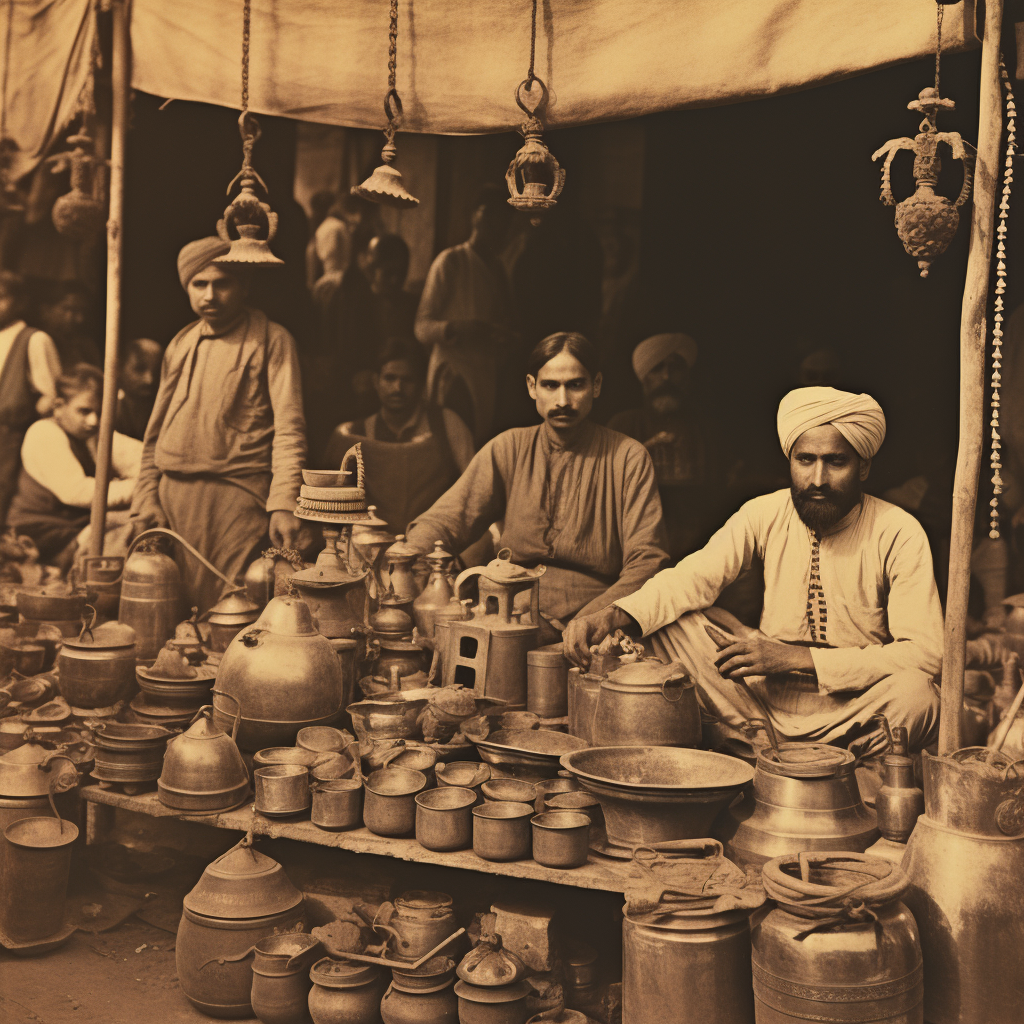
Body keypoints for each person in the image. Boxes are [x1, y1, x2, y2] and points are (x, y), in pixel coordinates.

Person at [564, 386, 943, 758]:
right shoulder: (765, 512)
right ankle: (767, 744)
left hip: (854, 707)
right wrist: (613, 613)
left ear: (864, 466)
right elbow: (692, 578)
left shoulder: (898, 530)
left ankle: (805, 755)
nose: (817, 479)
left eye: (836, 462)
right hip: (760, 699)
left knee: (919, 695)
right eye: (805, 460)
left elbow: (926, 654)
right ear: (790, 461)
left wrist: (798, 658)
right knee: (668, 623)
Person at [405, 332, 670, 632]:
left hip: (593, 614)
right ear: (532, 387)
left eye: (576, 385)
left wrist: (595, 619)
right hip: (507, 608)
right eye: (550, 385)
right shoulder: (509, 447)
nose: (562, 401)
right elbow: (448, 519)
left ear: (596, 386)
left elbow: (647, 562)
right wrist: (406, 556)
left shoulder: (628, 457)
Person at [130, 238, 307, 611]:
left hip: (237, 498)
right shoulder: (180, 344)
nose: (209, 294)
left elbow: (290, 429)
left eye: (222, 282)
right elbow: (154, 435)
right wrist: (146, 497)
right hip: (172, 500)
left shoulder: (272, 340)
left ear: (244, 286)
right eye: (199, 284)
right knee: (166, 612)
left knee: (229, 611)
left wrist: (282, 502)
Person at [325, 336, 474, 535]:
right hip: (370, 542)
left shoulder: (446, 424)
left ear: (422, 385)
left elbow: (474, 486)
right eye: (390, 378)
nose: (398, 388)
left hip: (433, 539)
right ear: (375, 382)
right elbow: (330, 500)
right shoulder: (353, 433)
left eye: (407, 380)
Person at [8, 364, 141, 569]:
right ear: (59, 406)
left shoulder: (91, 435)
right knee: (127, 537)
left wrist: (151, 476)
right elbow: (76, 491)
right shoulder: (44, 433)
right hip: (42, 534)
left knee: (141, 524)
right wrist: (141, 488)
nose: (94, 420)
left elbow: (141, 458)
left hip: (75, 527)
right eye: (84, 411)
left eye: (100, 412)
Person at [415, 184, 515, 445]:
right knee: (449, 444)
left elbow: (503, 321)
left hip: (485, 372)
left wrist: (502, 335)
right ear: (474, 216)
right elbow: (421, 327)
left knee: (476, 444)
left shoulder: (499, 271)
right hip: (452, 370)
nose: (495, 224)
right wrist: (457, 328)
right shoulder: (451, 261)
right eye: (487, 214)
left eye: (502, 218)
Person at [608, 333, 711, 559]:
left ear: (685, 378)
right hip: (634, 536)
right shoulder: (623, 424)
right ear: (644, 378)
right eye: (657, 369)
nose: (666, 377)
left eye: (675, 369)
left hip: (693, 540)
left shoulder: (702, 427)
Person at [0, 271, 61, 529]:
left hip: (11, 444)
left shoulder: (34, 340)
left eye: (1, 297)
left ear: (20, 301)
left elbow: (52, 398)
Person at [34, 279, 101, 368]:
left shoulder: (86, 347)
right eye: (71, 309)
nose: (80, 319)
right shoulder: (34, 343)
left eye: (83, 312)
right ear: (45, 311)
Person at [367, 233, 418, 342]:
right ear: (371, 270)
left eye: (401, 273)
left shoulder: (413, 306)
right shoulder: (357, 306)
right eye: (388, 273)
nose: (395, 280)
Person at [115, 337, 162, 440]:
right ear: (119, 368)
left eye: (156, 371)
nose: (149, 380)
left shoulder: (161, 407)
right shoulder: (109, 407)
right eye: (140, 369)